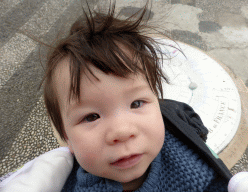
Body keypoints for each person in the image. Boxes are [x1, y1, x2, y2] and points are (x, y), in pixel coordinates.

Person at [1, 0, 234, 191]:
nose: (122, 132)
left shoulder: (195, 170)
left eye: (136, 103)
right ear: (67, 138)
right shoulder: (55, 184)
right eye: (91, 116)